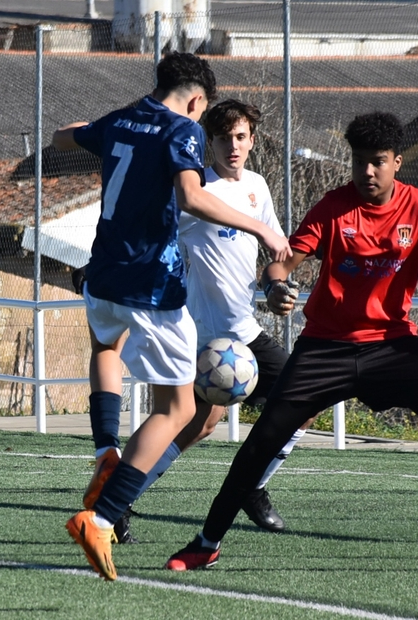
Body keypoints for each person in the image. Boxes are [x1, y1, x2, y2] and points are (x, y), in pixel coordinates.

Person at [164, 111, 418, 575]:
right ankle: (206, 543)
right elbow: (282, 262)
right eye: (359, 162)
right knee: (264, 438)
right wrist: (276, 285)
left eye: (377, 162)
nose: (367, 172)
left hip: (394, 347)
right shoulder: (333, 207)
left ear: (397, 162)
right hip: (325, 346)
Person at [52, 52, 291, 582]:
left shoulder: (122, 119)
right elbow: (191, 195)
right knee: (180, 409)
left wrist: (82, 135)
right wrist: (263, 231)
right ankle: (104, 516)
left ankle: (105, 452)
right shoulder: (180, 130)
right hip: (149, 283)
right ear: (199, 101)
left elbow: (62, 137)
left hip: (103, 276)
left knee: (105, 350)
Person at [114, 99, 314, 542]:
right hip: (199, 336)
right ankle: (118, 502)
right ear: (209, 142)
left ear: (252, 141)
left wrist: (276, 289)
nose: (233, 146)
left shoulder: (258, 187)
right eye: (223, 138)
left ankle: (253, 487)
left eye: (240, 137)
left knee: (303, 405)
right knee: (195, 423)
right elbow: (149, 234)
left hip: (244, 334)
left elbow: (272, 260)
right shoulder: (194, 187)